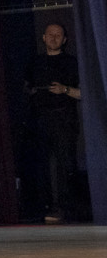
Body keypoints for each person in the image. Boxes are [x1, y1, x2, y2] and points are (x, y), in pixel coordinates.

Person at [25, 22, 82, 223]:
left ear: (64, 40)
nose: (54, 38)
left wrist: (64, 90)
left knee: (64, 164)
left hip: (63, 118)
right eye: (50, 34)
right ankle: (44, 206)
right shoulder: (35, 62)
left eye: (58, 35)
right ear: (43, 38)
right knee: (42, 164)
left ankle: (63, 207)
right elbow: (26, 87)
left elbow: (84, 92)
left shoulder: (71, 62)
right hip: (40, 118)